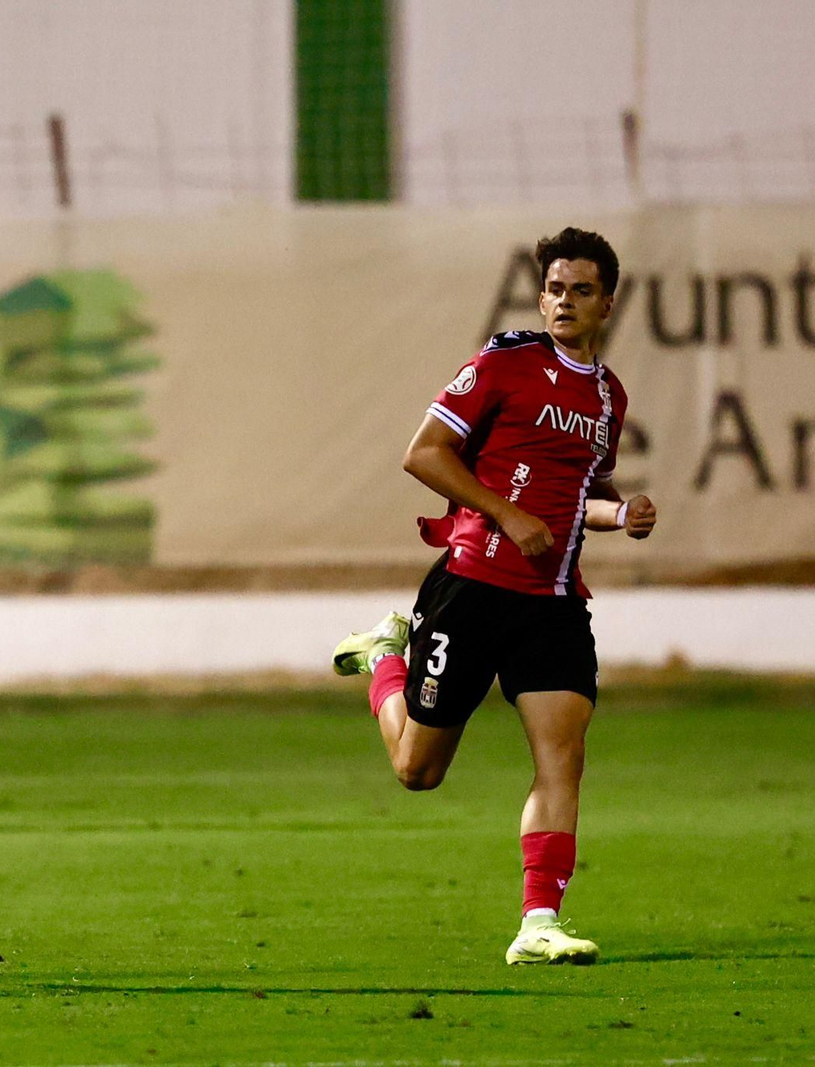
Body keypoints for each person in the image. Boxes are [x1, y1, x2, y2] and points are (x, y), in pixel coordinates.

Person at [332, 227, 658, 965]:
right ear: (539, 295)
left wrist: (621, 513)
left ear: (607, 301)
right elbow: (423, 454)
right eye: (553, 288)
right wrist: (506, 513)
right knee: (419, 771)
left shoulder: (608, 396)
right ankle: (387, 656)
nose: (563, 301)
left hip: (553, 601)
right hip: (472, 585)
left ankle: (538, 921)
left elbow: (581, 495)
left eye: (580, 290)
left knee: (563, 756)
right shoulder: (505, 362)